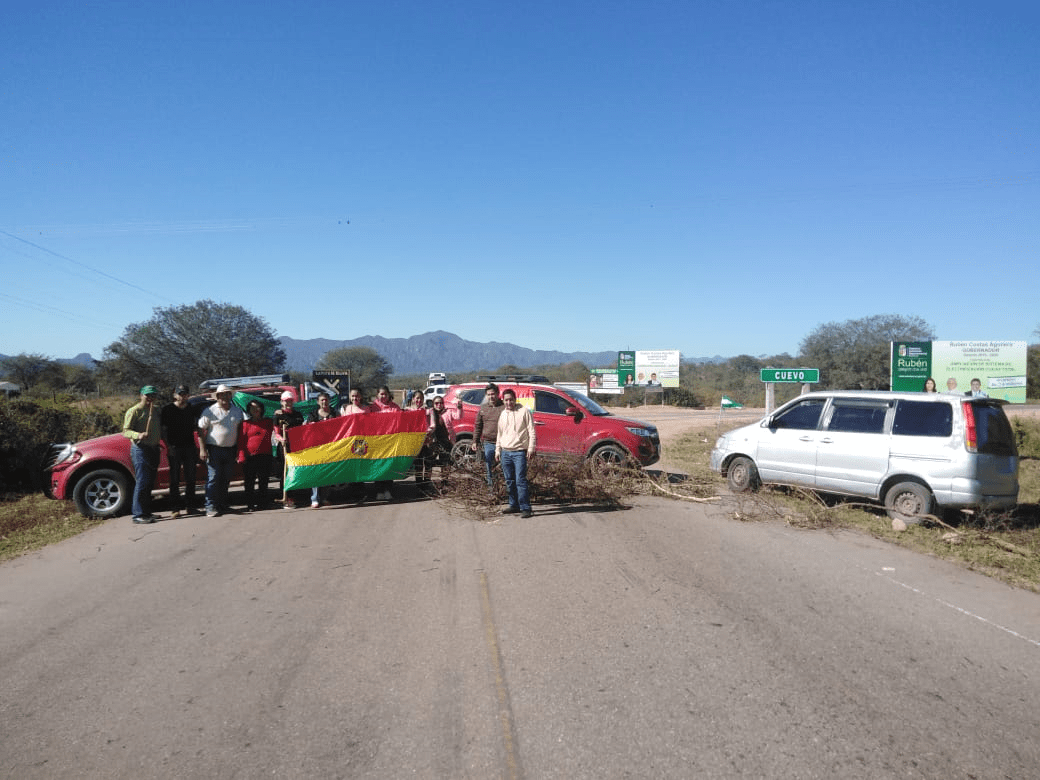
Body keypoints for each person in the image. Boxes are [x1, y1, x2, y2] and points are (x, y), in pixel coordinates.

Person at [198, 384, 245, 517]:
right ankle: (210, 505)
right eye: (221, 394)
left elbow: (241, 429)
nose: (224, 397)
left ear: (230, 396)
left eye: (227, 394)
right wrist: (202, 449)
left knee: (226, 478)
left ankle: (222, 504)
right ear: (217, 397)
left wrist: (238, 450)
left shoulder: (237, 411)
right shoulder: (210, 411)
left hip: (230, 450)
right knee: (213, 478)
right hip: (214, 449)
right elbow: (200, 429)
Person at [123, 385, 162, 524]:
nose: (150, 398)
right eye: (148, 395)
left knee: (150, 483)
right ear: (141, 395)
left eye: (153, 395)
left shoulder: (156, 410)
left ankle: (146, 512)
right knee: (142, 482)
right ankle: (138, 514)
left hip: (153, 449)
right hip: (141, 449)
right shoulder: (134, 411)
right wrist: (138, 434)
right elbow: (126, 431)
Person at [495, 388, 537, 518]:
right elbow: (499, 434)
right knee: (509, 481)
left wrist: (531, 448)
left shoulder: (524, 411)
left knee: (520, 480)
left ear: (515, 399)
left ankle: (525, 508)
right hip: (505, 452)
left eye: (511, 399)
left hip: (519, 452)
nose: (509, 402)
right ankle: (514, 505)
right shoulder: (503, 414)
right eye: (506, 400)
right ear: (503, 400)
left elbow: (531, 431)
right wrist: (498, 449)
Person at [161, 384, 201, 517]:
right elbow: (163, 430)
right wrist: (168, 446)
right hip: (174, 449)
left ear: (188, 395)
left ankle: (191, 506)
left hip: (189, 447)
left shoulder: (192, 409)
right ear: (174, 395)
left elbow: (199, 425)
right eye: (179, 394)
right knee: (175, 479)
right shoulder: (167, 409)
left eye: (184, 394)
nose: (182, 396)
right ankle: (175, 508)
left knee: (191, 478)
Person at [238, 399, 274, 512]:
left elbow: (279, 426)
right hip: (250, 457)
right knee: (249, 482)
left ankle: (263, 503)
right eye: (252, 408)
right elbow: (241, 441)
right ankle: (250, 504)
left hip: (265, 456)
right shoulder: (245, 424)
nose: (255, 410)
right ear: (249, 410)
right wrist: (241, 455)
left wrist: (278, 412)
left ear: (262, 409)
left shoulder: (268, 422)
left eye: (257, 407)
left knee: (264, 481)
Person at [273, 390, 305, 509]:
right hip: (284, 447)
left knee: (295, 471)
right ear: (281, 402)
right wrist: (281, 438)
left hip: (296, 446)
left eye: (290, 401)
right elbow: (276, 433)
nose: (288, 403)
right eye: (286, 401)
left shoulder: (298, 415)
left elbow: (302, 430)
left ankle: (294, 497)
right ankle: (286, 498)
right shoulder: (278, 415)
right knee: (285, 472)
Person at [305, 392, 338, 508]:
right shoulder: (313, 415)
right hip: (316, 448)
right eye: (322, 400)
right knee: (316, 473)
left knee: (327, 473)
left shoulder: (334, 413)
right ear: (318, 402)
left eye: (326, 399)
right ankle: (314, 498)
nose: (324, 402)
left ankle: (325, 498)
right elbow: (306, 429)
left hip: (330, 447)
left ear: (329, 401)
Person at [369, 385, 400, 501]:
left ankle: (388, 490)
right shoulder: (372, 408)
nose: (383, 396)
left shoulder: (395, 407)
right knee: (377, 466)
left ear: (388, 395)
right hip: (376, 442)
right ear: (377, 395)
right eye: (381, 394)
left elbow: (399, 422)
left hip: (390, 442)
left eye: (385, 394)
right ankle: (379, 491)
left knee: (388, 466)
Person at [472, 382, 505, 489]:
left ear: (498, 394)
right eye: (489, 394)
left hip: (504, 444)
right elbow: (478, 426)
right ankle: (492, 490)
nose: (491, 396)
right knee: (489, 468)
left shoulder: (504, 407)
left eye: (493, 394)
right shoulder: (483, 408)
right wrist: (475, 441)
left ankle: (506, 490)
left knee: (505, 468)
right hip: (488, 443)